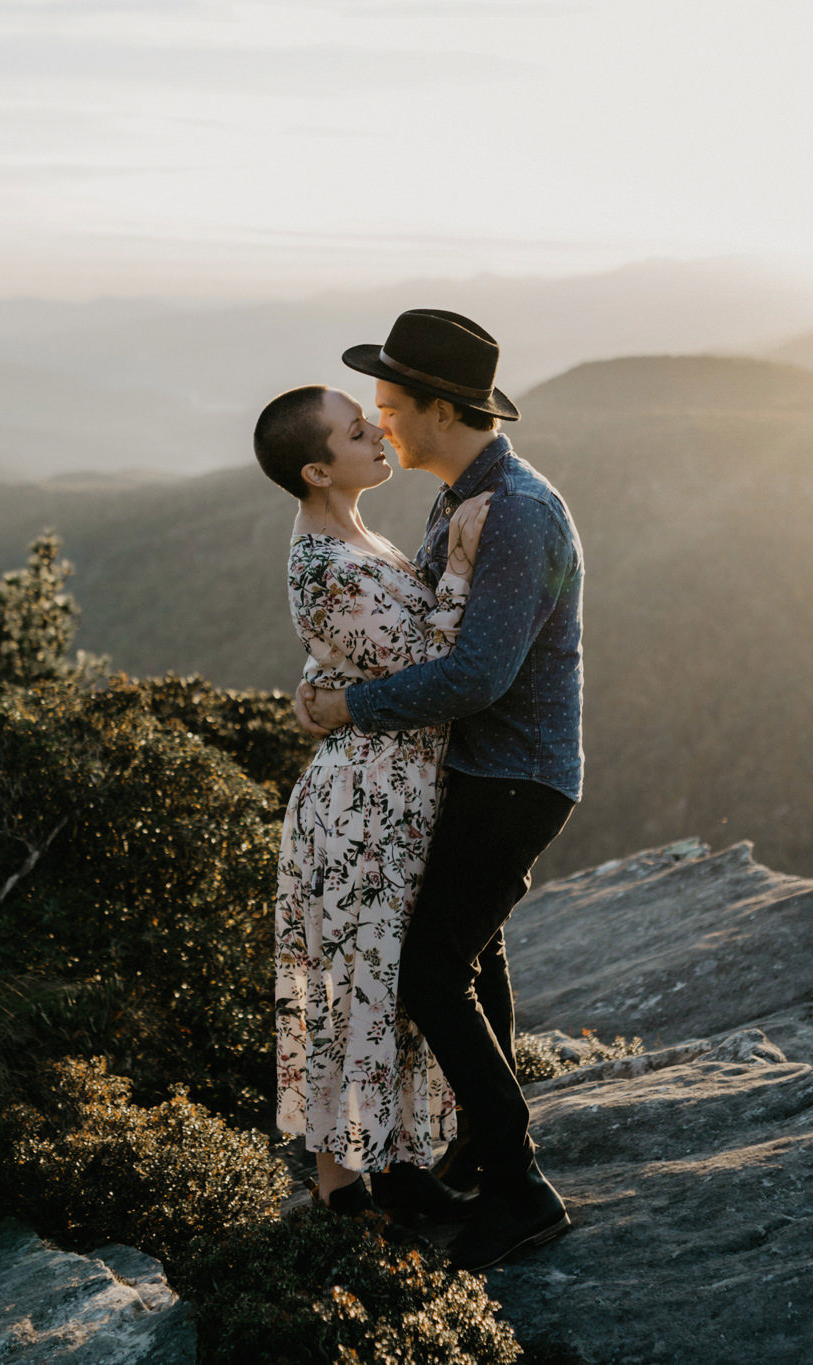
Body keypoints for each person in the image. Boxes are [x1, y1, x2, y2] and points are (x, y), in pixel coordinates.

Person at [295, 309, 585, 1273]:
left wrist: (348, 705)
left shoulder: (518, 511)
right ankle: (479, 1148)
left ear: (438, 407)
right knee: (472, 958)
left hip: (517, 777)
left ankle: (521, 1184)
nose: (382, 424)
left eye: (389, 404)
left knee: (428, 971)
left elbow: (477, 677)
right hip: (477, 772)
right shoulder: (465, 492)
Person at [255, 380, 495, 1222]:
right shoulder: (321, 561)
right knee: (360, 985)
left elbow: (362, 657)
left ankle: (387, 1169)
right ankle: (343, 1192)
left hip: (395, 790)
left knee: (384, 983)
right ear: (320, 469)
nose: (378, 434)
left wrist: (322, 681)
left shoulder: (352, 531)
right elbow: (426, 662)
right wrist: (464, 560)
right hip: (363, 805)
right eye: (358, 432)